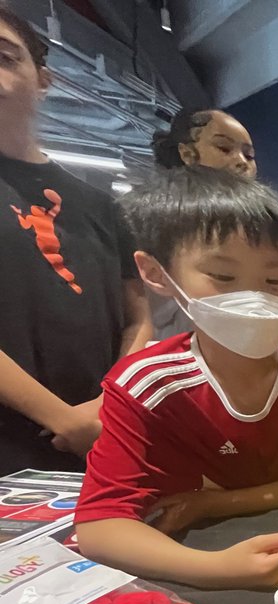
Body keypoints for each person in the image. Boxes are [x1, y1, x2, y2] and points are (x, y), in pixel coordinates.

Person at [74, 168, 278, 589]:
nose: (253, 297)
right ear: (156, 273)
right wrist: (218, 569)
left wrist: (215, 504)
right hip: (198, 574)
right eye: (223, 278)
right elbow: (101, 524)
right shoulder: (146, 388)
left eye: (273, 279)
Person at [0, 9, 150, 474]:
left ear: (43, 79)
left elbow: (140, 316)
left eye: (5, 57)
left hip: (100, 442)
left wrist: (110, 404)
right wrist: (63, 418)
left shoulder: (100, 205)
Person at [149, 107, 278, 343]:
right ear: (187, 153)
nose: (241, 162)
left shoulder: (268, 227)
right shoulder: (160, 225)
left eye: (249, 155)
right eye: (224, 148)